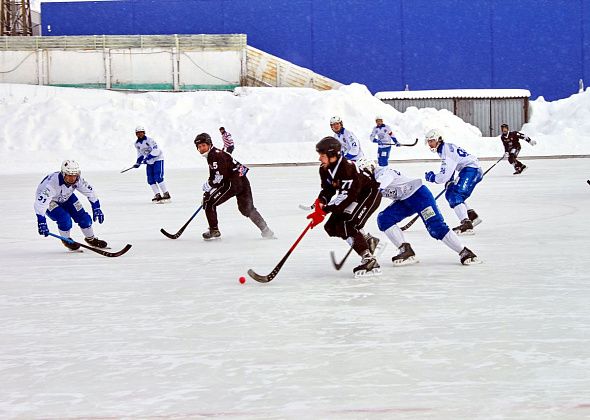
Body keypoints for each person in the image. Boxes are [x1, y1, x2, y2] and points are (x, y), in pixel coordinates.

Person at [357, 159, 480, 265]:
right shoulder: (370, 181)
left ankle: (465, 252)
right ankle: (405, 250)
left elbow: (378, 188)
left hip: (419, 196)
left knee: (436, 227)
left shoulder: (383, 173)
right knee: (384, 219)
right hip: (404, 201)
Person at [306, 136, 382, 277]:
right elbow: (328, 190)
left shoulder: (346, 168)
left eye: (322, 156)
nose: (319, 159)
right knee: (332, 226)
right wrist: (320, 202)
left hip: (368, 195)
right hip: (353, 196)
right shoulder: (324, 169)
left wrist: (325, 210)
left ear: (332, 155)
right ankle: (367, 241)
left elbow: (346, 198)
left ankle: (369, 259)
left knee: (348, 224)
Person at [194, 132, 274, 240]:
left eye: (203, 145)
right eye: (199, 147)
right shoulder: (214, 154)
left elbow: (219, 178)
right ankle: (266, 230)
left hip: (233, 183)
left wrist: (210, 185)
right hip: (242, 180)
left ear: (209, 144)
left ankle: (214, 230)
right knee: (246, 209)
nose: (202, 148)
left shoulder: (214, 155)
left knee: (209, 203)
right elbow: (216, 174)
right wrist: (211, 185)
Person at [34, 160, 107, 250]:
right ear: (63, 174)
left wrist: (96, 208)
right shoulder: (51, 185)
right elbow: (40, 204)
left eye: (74, 176)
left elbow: (90, 192)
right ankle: (66, 239)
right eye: (69, 176)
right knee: (64, 219)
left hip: (67, 196)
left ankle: (91, 239)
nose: (72, 179)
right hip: (50, 201)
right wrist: (41, 221)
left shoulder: (78, 180)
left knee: (84, 219)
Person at [424, 129, 483, 235]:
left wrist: (432, 177)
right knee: (451, 192)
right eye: (428, 141)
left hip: (471, 170)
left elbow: (443, 176)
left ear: (438, 139)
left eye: (432, 140)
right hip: (469, 170)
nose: (430, 143)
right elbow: (451, 167)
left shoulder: (446, 152)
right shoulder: (444, 148)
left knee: (454, 194)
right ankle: (472, 216)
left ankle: (467, 224)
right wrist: (450, 181)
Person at [133, 125, 171, 203]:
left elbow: (156, 150)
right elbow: (140, 154)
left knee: (158, 177)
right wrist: (138, 162)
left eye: (141, 132)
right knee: (150, 179)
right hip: (149, 162)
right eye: (137, 133)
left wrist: (148, 157)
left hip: (157, 159)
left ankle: (166, 194)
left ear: (144, 133)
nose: (139, 134)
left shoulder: (150, 140)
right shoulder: (136, 144)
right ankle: (157, 195)